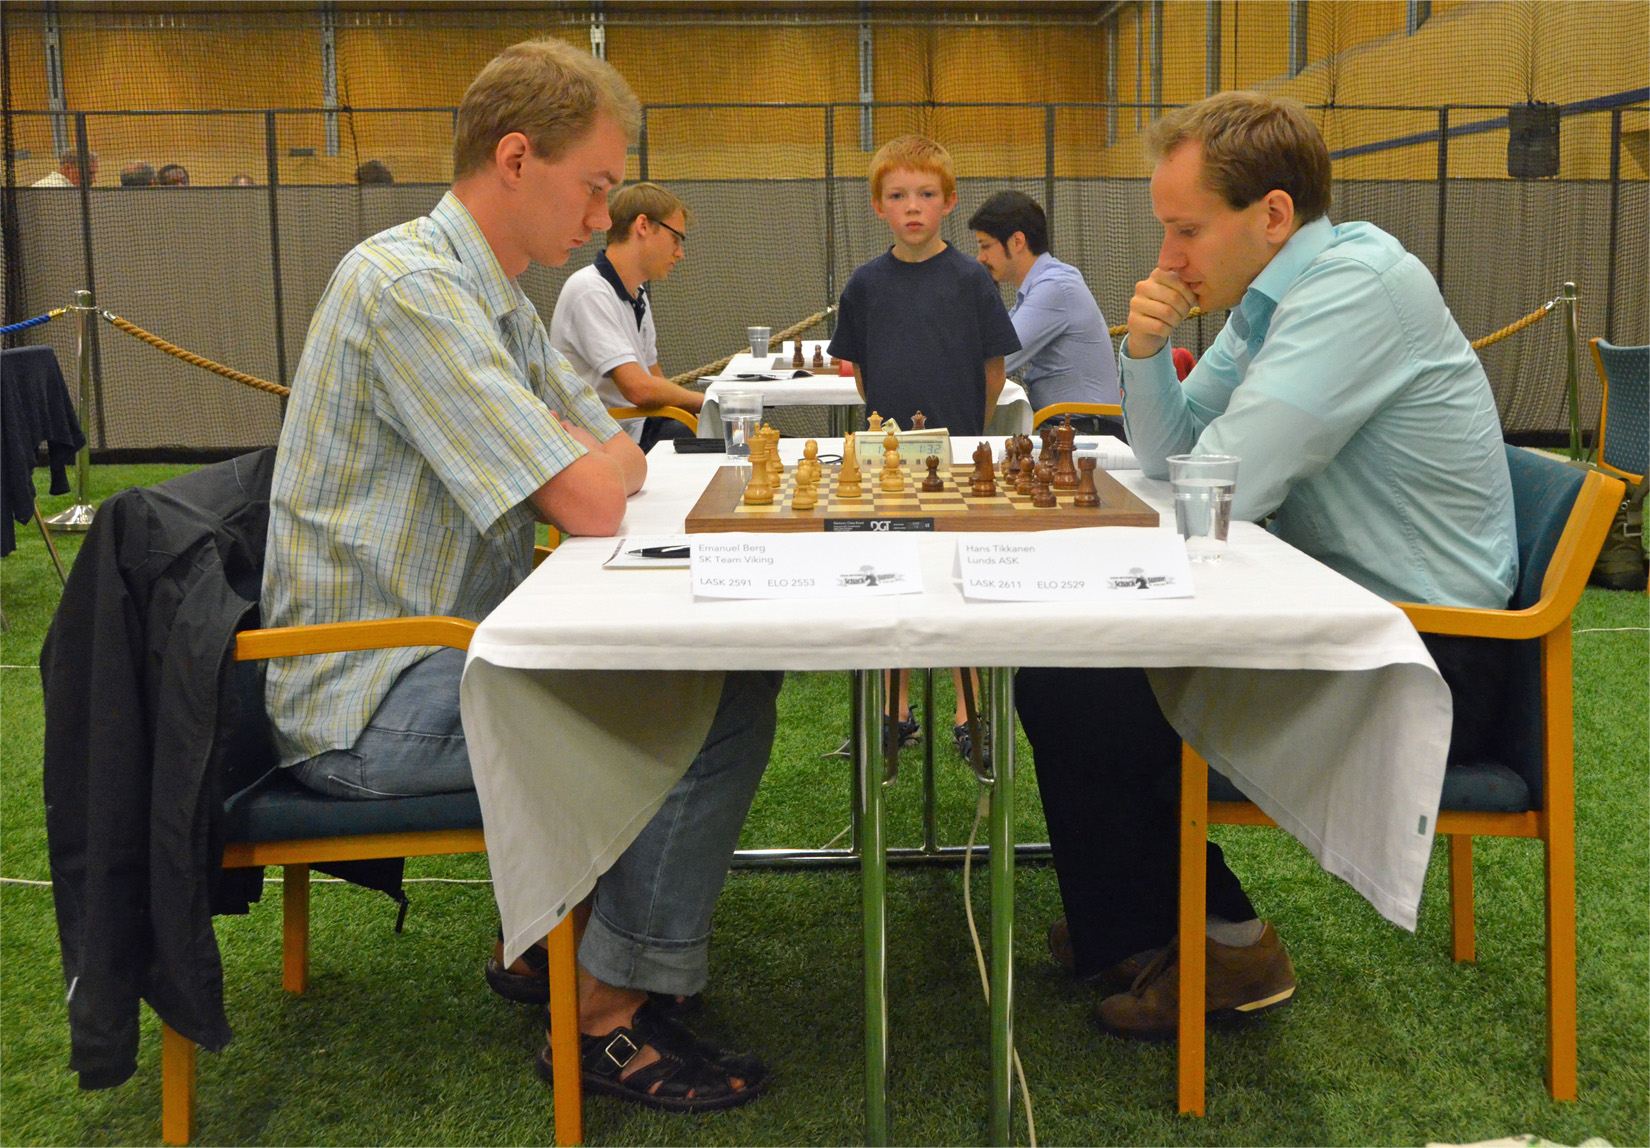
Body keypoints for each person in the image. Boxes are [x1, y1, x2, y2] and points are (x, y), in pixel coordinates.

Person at [261, 38, 779, 1111]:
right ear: (513, 159)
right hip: (366, 698)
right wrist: (585, 456)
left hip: (448, 654)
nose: (601, 216)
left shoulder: (487, 294)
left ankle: (552, 949)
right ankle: (603, 1014)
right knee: (711, 692)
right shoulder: (410, 290)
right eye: (593, 187)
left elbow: (619, 452)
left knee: (707, 670)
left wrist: (587, 453)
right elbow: (594, 493)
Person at [1017, 90, 1517, 1042]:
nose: (1169, 258)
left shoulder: (1354, 289)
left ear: (1274, 214)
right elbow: (1173, 461)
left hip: (1431, 654)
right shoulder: (1270, 297)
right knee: (1065, 665)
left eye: (1187, 230)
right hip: (1341, 608)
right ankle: (1138, 920)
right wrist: (1145, 351)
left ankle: (1231, 946)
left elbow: (1226, 486)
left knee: (1091, 674)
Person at [828, 135, 1021, 757]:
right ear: (878, 206)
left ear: (949, 201)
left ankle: (969, 710)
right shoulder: (864, 284)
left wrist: (966, 436)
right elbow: (860, 372)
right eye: (898, 195)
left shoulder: (972, 280)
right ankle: (895, 708)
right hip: (890, 462)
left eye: (926, 194)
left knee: (961, 577)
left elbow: (993, 369)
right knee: (894, 577)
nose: (912, 207)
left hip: (958, 453)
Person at [550, 181, 705, 453]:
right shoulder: (589, 290)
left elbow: (653, 377)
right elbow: (638, 389)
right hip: (605, 440)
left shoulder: (637, 293)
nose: (680, 253)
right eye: (676, 238)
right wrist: (712, 402)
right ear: (643, 225)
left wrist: (704, 410)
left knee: (719, 433)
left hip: (635, 427)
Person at [968, 189, 1123, 438]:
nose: (980, 257)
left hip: (1086, 434)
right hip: (1066, 428)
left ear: (1017, 241)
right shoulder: (1040, 288)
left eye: (985, 246)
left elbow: (999, 359)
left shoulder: (1055, 287)